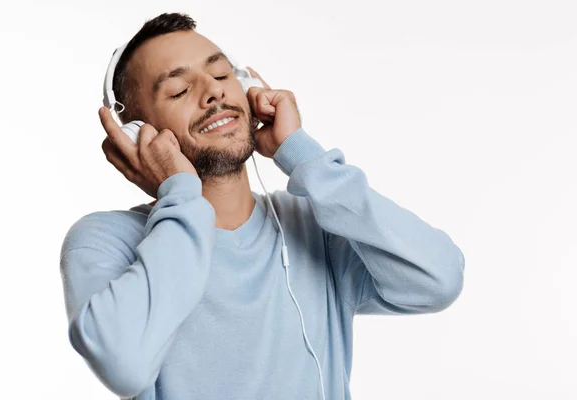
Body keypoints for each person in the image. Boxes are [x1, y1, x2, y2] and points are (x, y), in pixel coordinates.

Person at [59, 12, 466, 400]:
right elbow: (123, 364)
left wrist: (302, 157)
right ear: (136, 134)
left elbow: (438, 279)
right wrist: (179, 192)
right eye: (180, 90)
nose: (214, 91)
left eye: (220, 74)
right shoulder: (104, 240)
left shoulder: (314, 225)